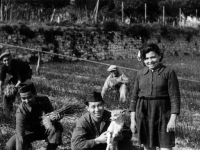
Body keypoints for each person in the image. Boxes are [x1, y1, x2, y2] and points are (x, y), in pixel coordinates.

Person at [129, 43, 181, 150]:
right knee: (148, 146)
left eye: (153, 57)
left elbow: (175, 97)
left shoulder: (168, 72)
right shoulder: (140, 74)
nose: (150, 61)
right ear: (143, 60)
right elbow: (134, 98)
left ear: (159, 56)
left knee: (166, 146)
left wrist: (172, 119)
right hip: (144, 113)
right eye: (146, 58)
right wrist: (133, 120)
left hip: (163, 112)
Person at [6, 82, 63, 150]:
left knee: (57, 126)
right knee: (10, 146)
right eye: (23, 98)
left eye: (29, 97)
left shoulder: (44, 100)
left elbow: (51, 116)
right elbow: (19, 135)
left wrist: (56, 118)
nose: (26, 101)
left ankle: (51, 148)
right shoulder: (21, 111)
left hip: (44, 129)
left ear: (35, 94)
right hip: (28, 133)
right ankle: (28, 146)